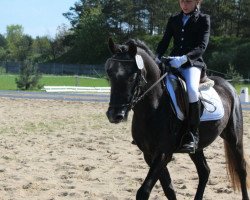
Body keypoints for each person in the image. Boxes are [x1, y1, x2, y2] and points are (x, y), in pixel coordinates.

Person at [155, 0, 210, 153]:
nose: (184, 5)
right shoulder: (174, 19)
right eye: (182, 1)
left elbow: (202, 46)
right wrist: (157, 56)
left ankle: (193, 134)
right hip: (172, 62)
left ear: (197, 2)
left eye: (189, 1)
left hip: (192, 64)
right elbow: (164, 41)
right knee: (155, 85)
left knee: (192, 90)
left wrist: (184, 58)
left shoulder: (204, 19)